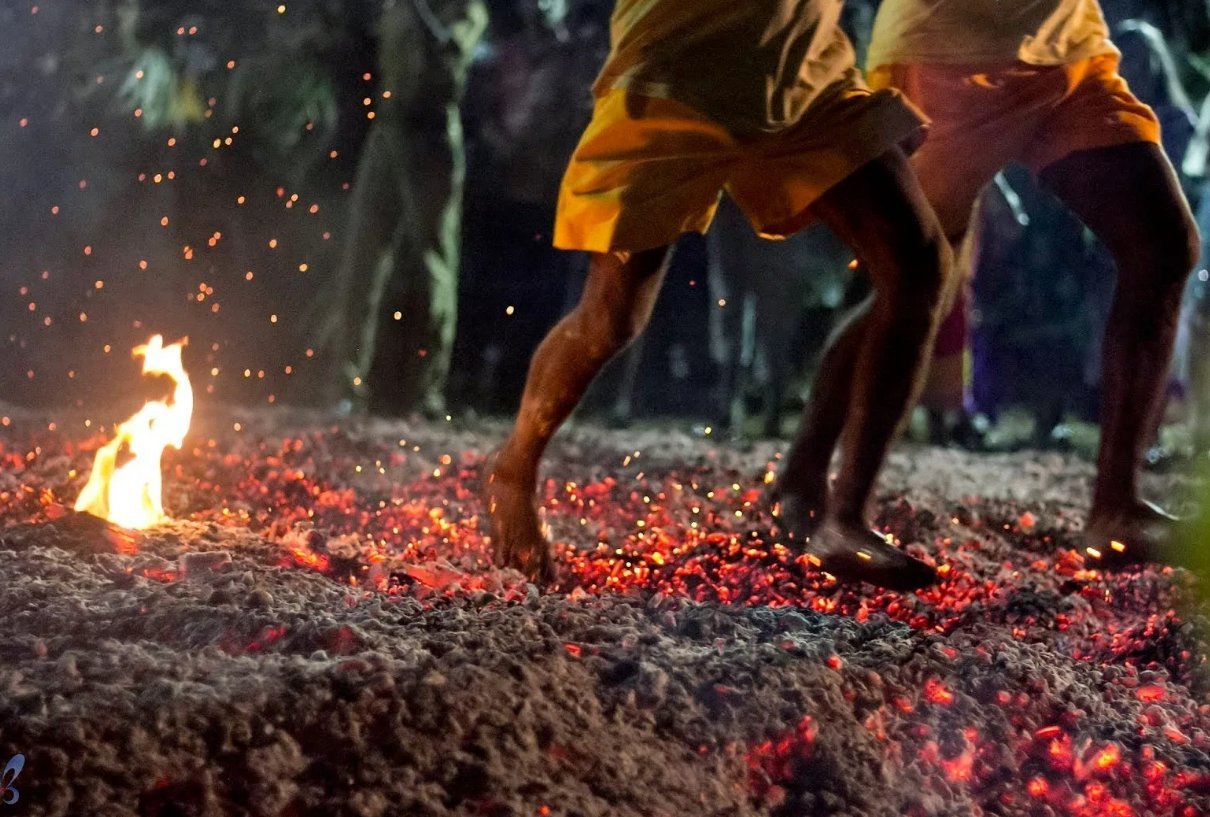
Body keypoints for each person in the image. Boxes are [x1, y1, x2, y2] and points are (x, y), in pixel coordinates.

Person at [485, 0, 955, 591]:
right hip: (678, 69)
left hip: (803, 73)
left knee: (920, 264)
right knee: (612, 318)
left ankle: (845, 516)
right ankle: (513, 468)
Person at [863, 0, 1200, 565]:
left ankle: (1117, 506)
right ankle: (816, 492)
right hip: (954, 51)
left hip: (1065, 48)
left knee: (1163, 246)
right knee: (917, 278)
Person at [312, 0, 488, 416]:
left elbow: (448, 46)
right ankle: (347, 385)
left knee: (432, 265)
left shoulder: (465, 8)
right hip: (388, 128)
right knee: (362, 258)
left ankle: (427, 391)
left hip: (430, 133)